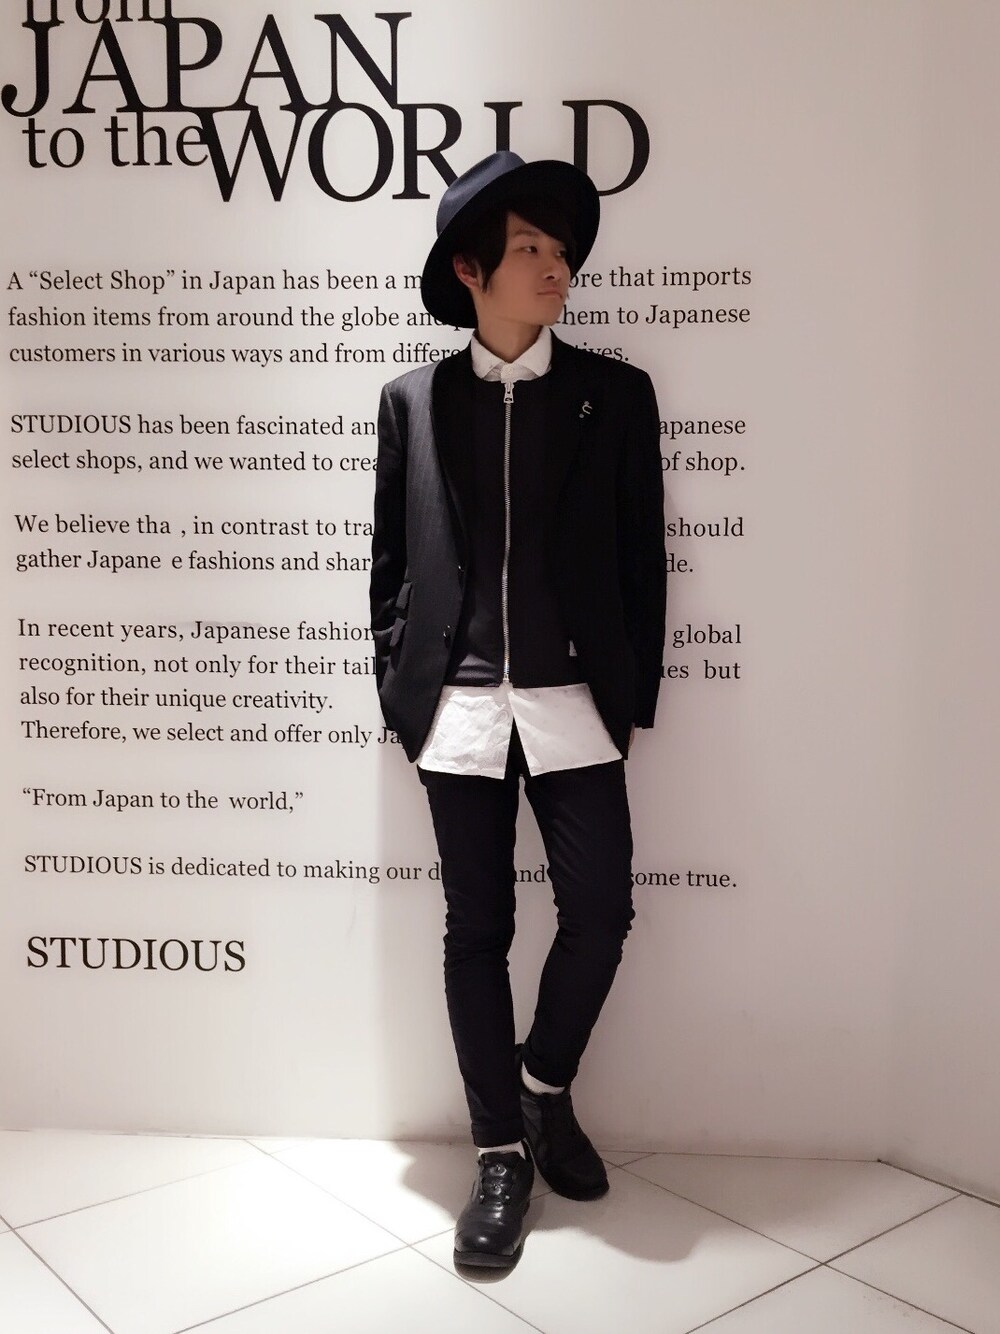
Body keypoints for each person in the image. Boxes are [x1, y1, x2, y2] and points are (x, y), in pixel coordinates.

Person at [370, 151, 666, 1270]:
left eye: (561, 250)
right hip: (455, 710)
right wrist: (402, 679)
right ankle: (499, 1152)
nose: (556, 267)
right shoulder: (412, 400)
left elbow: (642, 558)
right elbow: (390, 563)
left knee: (601, 910)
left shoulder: (614, 394)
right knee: (476, 932)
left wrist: (629, 690)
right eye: (531, 248)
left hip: (573, 700)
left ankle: (543, 1086)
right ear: (471, 268)